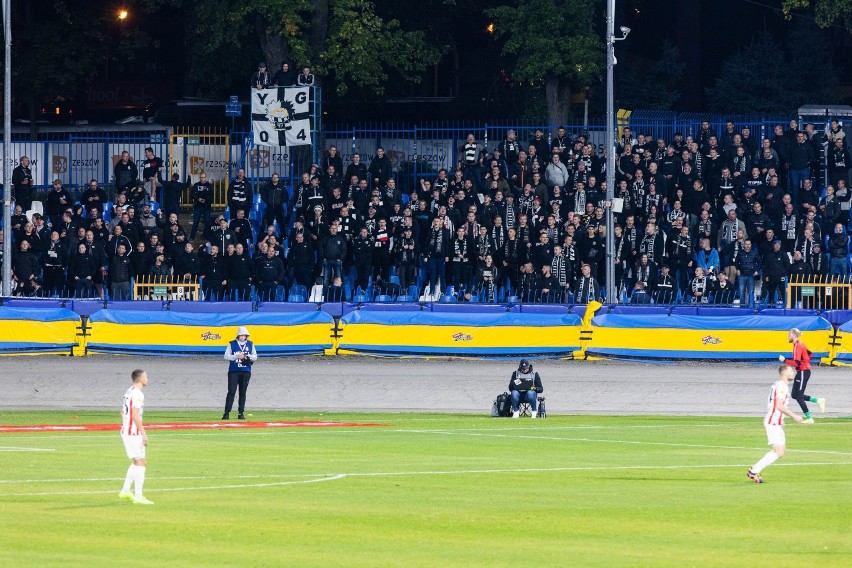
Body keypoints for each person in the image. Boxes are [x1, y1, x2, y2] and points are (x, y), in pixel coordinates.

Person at [747, 365, 804, 484]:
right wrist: (795, 416)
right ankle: (753, 472)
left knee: (781, 452)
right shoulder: (782, 386)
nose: (793, 372)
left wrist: (781, 419)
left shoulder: (778, 384)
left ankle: (754, 471)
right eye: (790, 371)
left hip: (776, 421)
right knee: (778, 451)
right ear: (784, 373)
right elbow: (779, 406)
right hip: (772, 421)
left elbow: (775, 404)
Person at [119, 369, 153, 504]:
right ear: (140, 379)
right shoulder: (138, 394)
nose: (147, 379)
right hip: (133, 432)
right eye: (146, 376)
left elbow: (122, 411)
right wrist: (143, 433)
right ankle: (138, 496)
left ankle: (126, 490)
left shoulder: (129, 391)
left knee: (136, 462)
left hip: (127, 430)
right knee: (141, 462)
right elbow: (135, 415)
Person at [779, 328, 826, 423]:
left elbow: (796, 363)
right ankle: (818, 400)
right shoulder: (799, 344)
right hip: (802, 371)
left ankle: (809, 418)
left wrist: (784, 360)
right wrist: (806, 362)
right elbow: (810, 353)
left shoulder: (798, 346)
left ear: (793, 335)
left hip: (803, 372)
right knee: (794, 395)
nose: (788, 336)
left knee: (799, 396)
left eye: (789, 334)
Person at [223, 326, 258, 420]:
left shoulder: (250, 344)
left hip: (245, 371)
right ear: (238, 336)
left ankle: (240, 413)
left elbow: (255, 356)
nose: (243, 337)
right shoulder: (232, 344)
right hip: (234, 371)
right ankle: (226, 413)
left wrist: (247, 356)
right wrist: (236, 356)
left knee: (242, 392)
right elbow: (226, 356)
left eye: (244, 336)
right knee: (231, 392)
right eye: (241, 335)